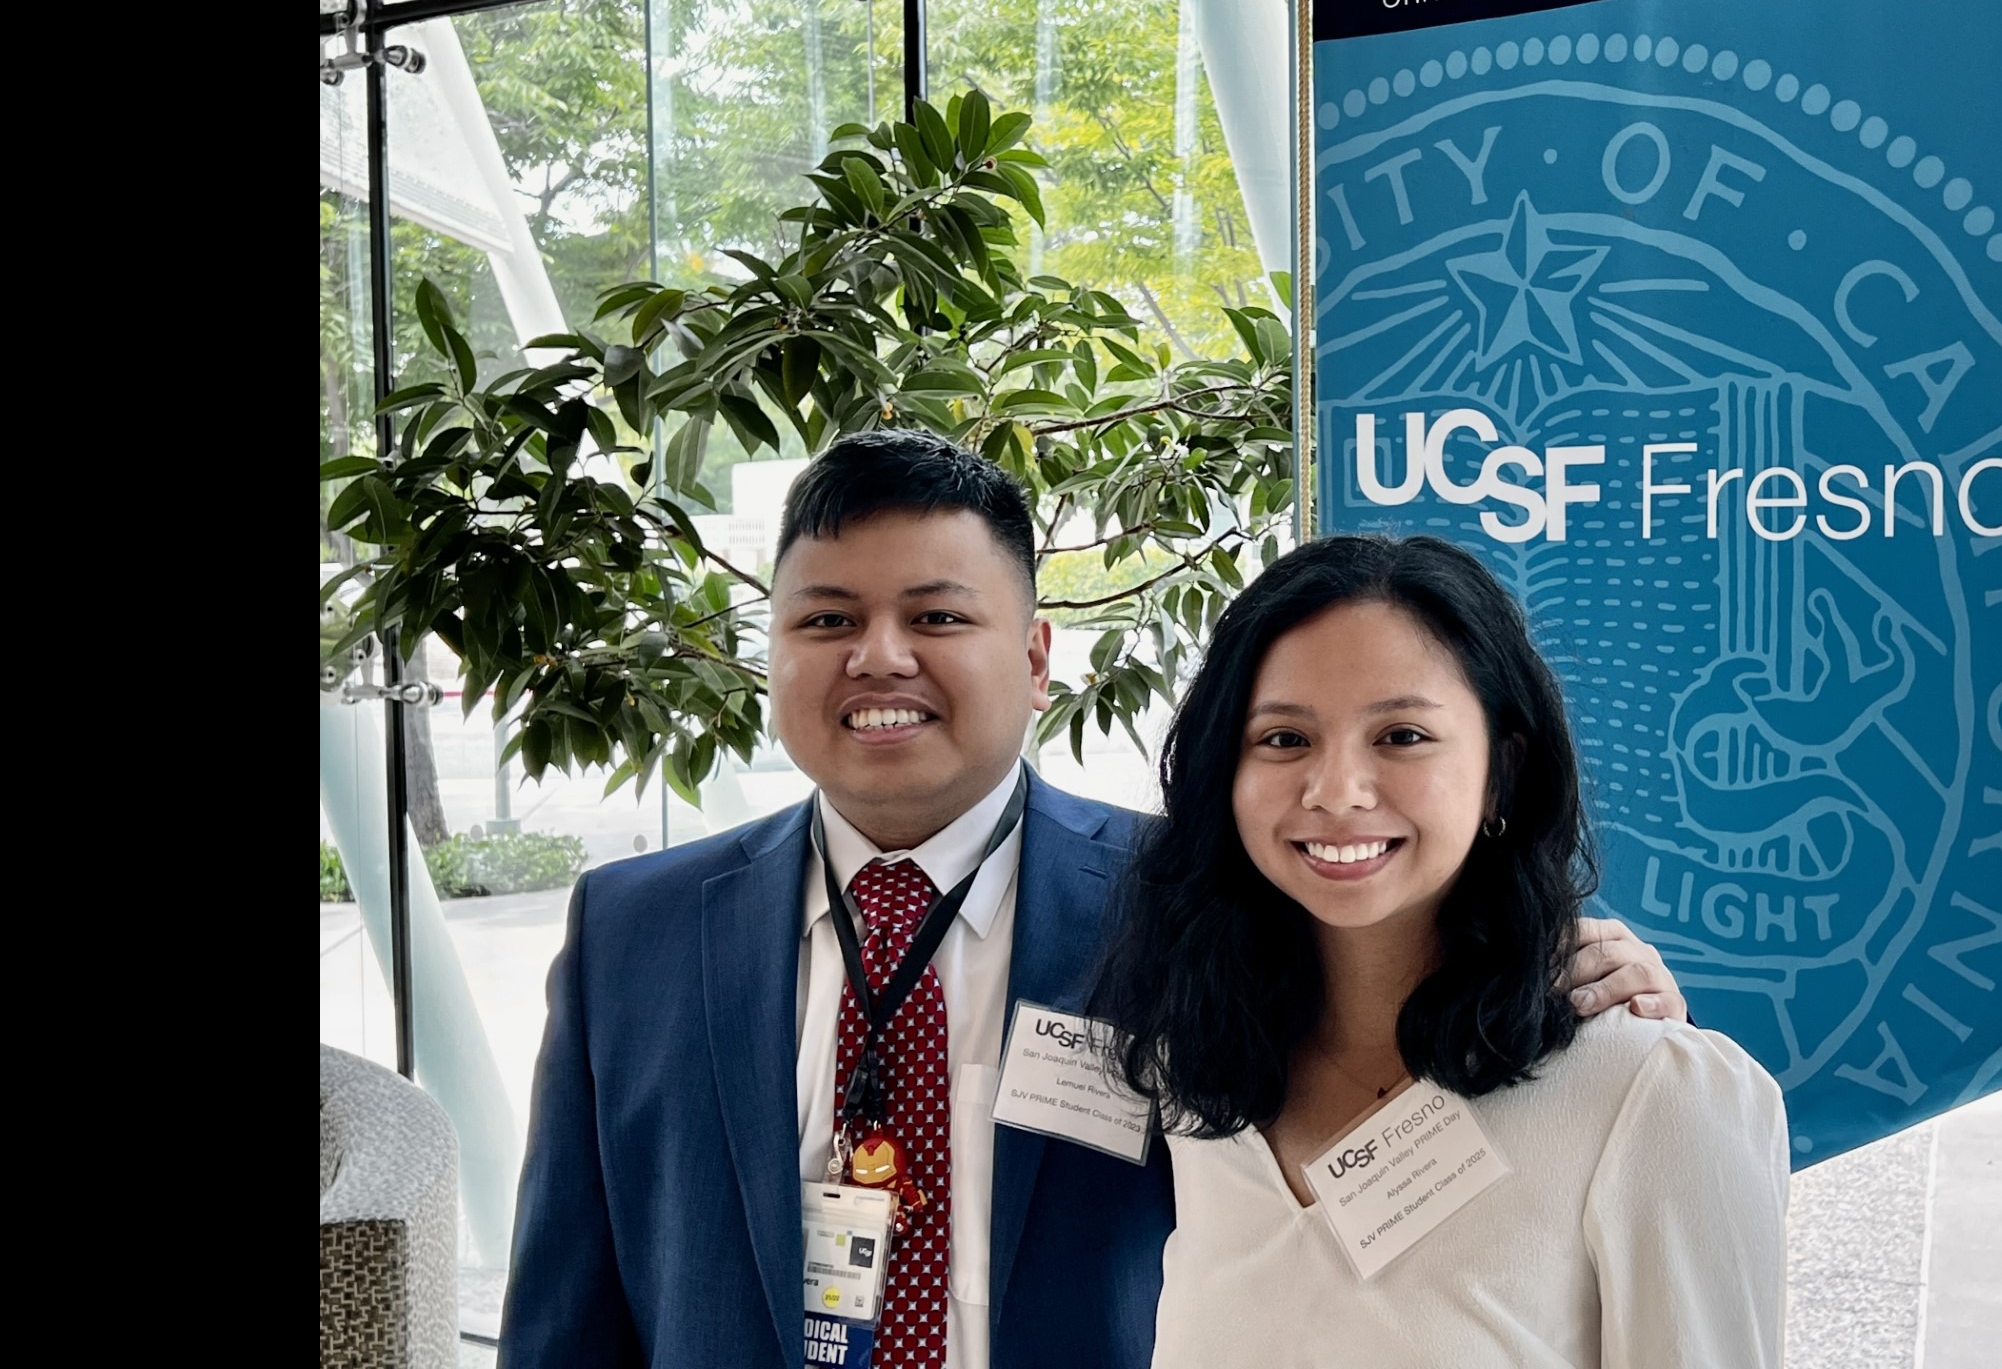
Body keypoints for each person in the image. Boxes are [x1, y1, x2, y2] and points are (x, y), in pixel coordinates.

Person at [498, 432, 1692, 1369]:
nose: (879, 657)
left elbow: (1394, 1038)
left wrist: (1573, 973)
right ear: (771, 652)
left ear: (1034, 660)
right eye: (826, 620)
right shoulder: (632, 934)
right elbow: (565, 1319)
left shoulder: (1202, 899)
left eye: (937, 616)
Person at [1091, 534, 1791, 1368]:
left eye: (1401, 735)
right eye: (1284, 739)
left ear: (1503, 770)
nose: (1336, 791)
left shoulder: (1652, 1095)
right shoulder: (1200, 1071)